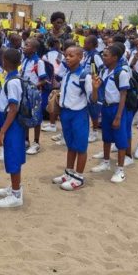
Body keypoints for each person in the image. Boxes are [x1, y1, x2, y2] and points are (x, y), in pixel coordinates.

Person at [51, 46, 92, 190]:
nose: (67, 58)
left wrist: (96, 89)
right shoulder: (67, 73)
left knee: (80, 146)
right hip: (66, 113)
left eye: (71, 55)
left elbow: (92, 99)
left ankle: (79, 177)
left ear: (80, 57)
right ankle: (69, 172)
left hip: (79, 114)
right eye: (66, 55)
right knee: (70, 145)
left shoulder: (85, 76)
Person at [91, 44, 133, 183]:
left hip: (117, 108)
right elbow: (100, 91)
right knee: (107, 137)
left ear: (115, 57)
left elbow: (123, 95)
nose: (103, 57)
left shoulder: (121, 73)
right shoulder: (104, 71)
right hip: (106, 107)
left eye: (106, 55)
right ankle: (106, 162)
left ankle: (120, 169)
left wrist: (118, 117)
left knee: (121, 140)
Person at [0, 48, 26, 208]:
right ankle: (15, 186)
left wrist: (2, 131)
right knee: (13, 155)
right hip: (12, 122)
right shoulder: (12, 78)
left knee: (13, 157)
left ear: (5, 61)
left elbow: (13, 109)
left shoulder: (13, 82)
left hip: (12, 124)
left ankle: (16, 194)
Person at [20, 38, 47, 155]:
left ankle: (36, 142)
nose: (24, 47)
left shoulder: (38, 62)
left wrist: (33, 87)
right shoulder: (24, 60)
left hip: (34, 95)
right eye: (24, 44)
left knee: (36, 117)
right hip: (23, 93)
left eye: (27, 45)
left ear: (34, 49)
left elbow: (44, 80)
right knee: (25, 115)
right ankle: (26, 140)